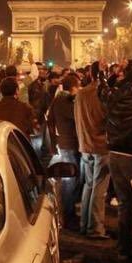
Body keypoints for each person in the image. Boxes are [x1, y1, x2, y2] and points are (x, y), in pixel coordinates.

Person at [105, 66, 132, 261]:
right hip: (130, 156)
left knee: (124, 203)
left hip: (112, 153)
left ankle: (124, 246)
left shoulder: (113, 100)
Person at [74, 62, 110, 239]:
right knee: (99, 188)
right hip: (101, 144)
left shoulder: (80, 93)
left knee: (89, 185)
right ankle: (95, 227)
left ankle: (84, 224)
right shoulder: (104, 94)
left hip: (85, 144)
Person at [47, 74, 81, 228]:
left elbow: (50, 120)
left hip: (62, 143)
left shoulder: (57, 100)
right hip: (69, 143)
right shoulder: (67, 101)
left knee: (68, 181)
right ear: (74, 87)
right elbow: (76, 118)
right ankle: (68, 215)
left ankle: (66, 213)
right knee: (70, 181)